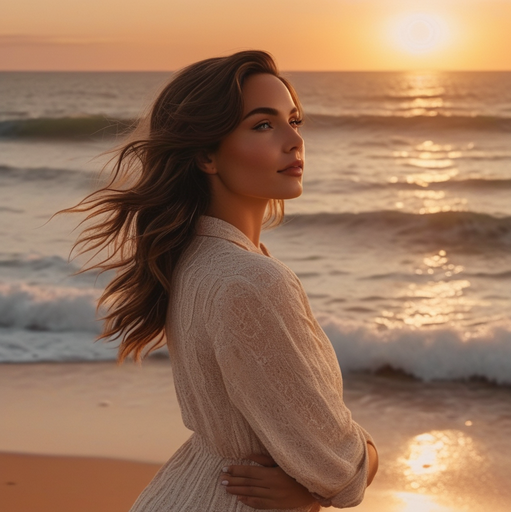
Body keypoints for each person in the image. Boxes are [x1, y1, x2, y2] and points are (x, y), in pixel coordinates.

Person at [66, 50, 378, 511]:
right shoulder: (251, 279)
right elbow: (336, 468)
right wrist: (368, 457)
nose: (294, 140)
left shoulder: (194, 257)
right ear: (207, 155)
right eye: (263, 125)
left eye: (294, 120)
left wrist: (317, 485)